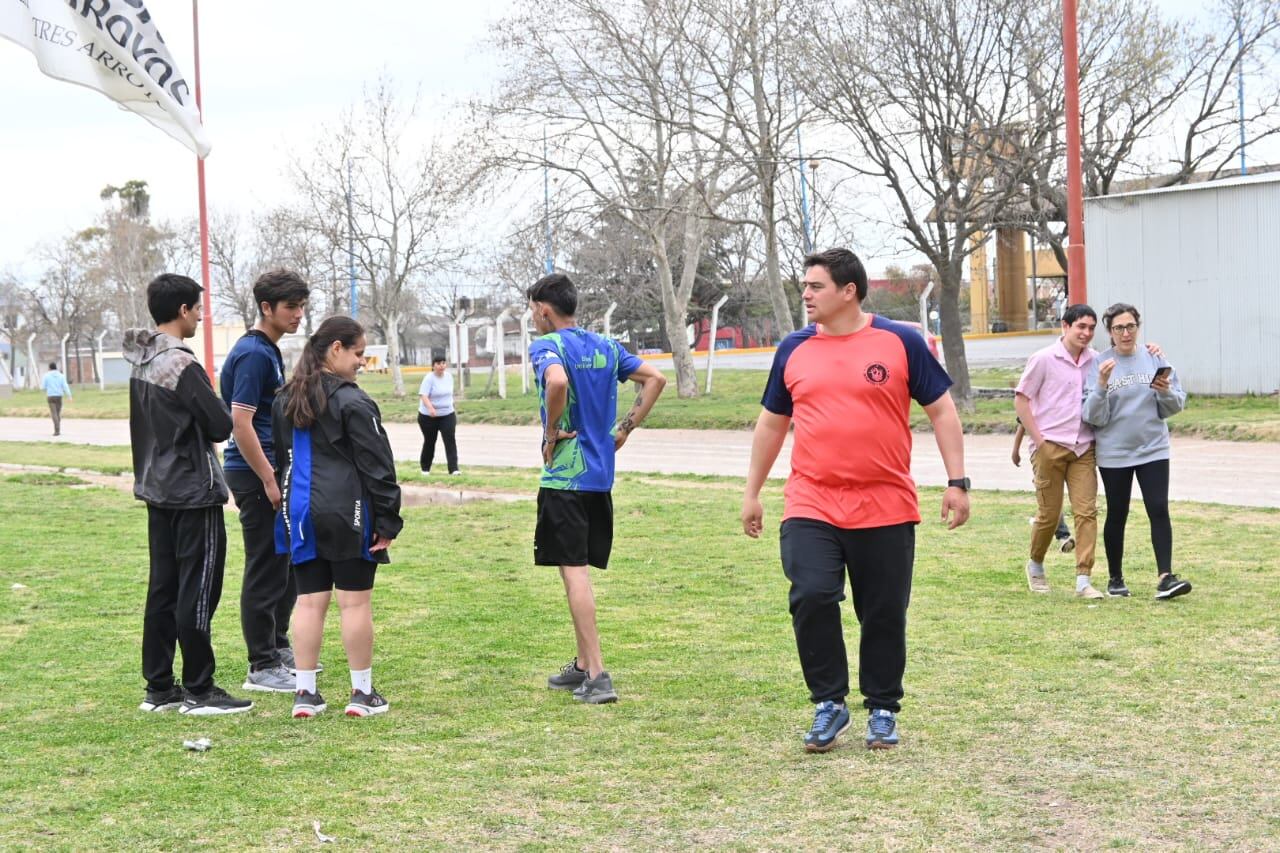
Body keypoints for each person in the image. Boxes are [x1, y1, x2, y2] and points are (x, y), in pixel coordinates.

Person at [740, 248, 970, 753]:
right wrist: (752, 491)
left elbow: (943, 413)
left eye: (815, 286)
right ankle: (830, 703)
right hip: (811, 501)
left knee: (884, 611)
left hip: (885, 503)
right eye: (804, 285)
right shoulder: (794, 349)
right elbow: (772, 424)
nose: (805, 294)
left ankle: (883, 708)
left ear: (849, 291)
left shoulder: (900, 342)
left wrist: (958, 481)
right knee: (812, 594)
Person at [529, 273, 666, 705]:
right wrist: (625, 428)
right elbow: (656, 379)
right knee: (578, 571)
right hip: (599, 479)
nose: (532, 317)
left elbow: (557, 383)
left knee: (575, 575)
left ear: (544, 310)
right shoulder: (606, 347)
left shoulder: (547, 346)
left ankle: (599, 674)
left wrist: (550, 434)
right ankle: (584, 664)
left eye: (533, 309)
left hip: (566, 479)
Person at [125, 273, 251, 716]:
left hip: (157, 489)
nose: (200, 316)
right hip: (192, 491)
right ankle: (200, 688)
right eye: (198, 309)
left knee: (163, 588)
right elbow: (220, 424)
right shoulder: (181, 363)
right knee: (198, 589)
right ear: (182, 311)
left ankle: (159, 687)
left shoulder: (140, 359)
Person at [272, 316, 403, 718]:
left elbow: (283, 457)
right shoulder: (354, 401)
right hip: (349, 511)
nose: (362, 362)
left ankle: (305, 693)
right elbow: (377, 464)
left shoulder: (284, 398)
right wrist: (388, 520)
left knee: (309, 603)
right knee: (354, 604)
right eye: (359, 353)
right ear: (336, 349)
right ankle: (361, 693)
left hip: (300, 511)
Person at [220, 270, 310, 694]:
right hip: (255, 472)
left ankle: (277, 644)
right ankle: (261, 665)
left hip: (272, 469)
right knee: (265, 565)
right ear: (266, 308)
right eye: (291, 306)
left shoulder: (269, 350)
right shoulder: (254, 355)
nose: (298, 314)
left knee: (285, 562)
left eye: (301, 306)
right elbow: (240, 424)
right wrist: (270, 480)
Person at [1083, 303, 1192, 600]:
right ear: (1110, 332)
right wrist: (1102, 386)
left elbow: (1174, 406)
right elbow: (1093, 417)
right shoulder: (1099, 364)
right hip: (1115, 453)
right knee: (1117, 513)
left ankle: (1165, 578)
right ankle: (1116, 579)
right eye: (1119, 328)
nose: (1126, 333)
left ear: (1138, 327)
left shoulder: (1154, 357)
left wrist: (1165, 390)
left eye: (1131, 326)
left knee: (1158, 508)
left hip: (1153, 448)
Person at [1014, 305, 1105, 599]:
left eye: (1091, 328)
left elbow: (1126, 357)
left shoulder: (1097, 360)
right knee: (1049, 515)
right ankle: (1036, 564)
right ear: (1065, 326)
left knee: (1086, 512)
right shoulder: (1043, 359)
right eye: (1081, 326)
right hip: (1049, 446)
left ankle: (1083, 580)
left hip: (1083, 448)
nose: (1086, 333)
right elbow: (1022, 401)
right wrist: (1039, 442)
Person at [1011, 418, 1074, 553]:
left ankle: (1051, 528)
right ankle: (1062, 535)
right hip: (1042, 454)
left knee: (1051, 500)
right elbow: (1021, 425)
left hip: (1067, 449)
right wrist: (1015, 451)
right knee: (1050, 499)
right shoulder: (1032, 400)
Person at [417, 355, 459, 476]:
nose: (441, 366)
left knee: (450, 440)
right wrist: (431, 408)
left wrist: (452, 405)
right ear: (433, 365)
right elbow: (423, 395)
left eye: (443, 363)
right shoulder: (429, 379)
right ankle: (425, 468)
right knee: (430, 441)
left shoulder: (449, 377)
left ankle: (454, 469)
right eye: (438, 363)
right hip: (428, 417)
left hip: (447, 414)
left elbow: (449, 394)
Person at [41, 361, 72, 436]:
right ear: (56, 368)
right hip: (59, 397)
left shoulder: (46, 376)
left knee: (54, 413)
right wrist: (69, 396)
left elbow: (43, 387)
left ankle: (57, 431)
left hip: (51, 397)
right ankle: (58, 429)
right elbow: (65, 386)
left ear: (49, 368)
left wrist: (47, 388)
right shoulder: (61, 376)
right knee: (58, 413)